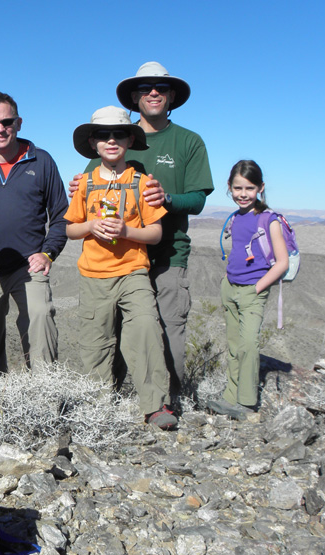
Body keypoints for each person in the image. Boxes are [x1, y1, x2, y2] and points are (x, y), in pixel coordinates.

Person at [73, 62, 213, 400]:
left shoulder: (188, 141)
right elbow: (90, 188)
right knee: (115, 333)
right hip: (117, 259)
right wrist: (79, 187)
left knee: (166, 332)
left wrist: (168, 198)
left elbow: (197, 199)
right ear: (134, 97)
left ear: (172, 96)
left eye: (161, 88)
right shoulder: (115, 135)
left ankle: (171, 402)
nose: (154, 93)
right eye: (146, 88)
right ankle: (112, 402)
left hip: (167, 254)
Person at [65, 106, 175, 429]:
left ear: (129, 139)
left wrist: (126, 232)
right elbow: (70, 229)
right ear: (93, 142)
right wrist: (90, 226)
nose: (110, 140)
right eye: (103, 135)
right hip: (93, 275)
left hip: (133, 271)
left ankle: (155, 405)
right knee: (95, 343)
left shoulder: (142, 183)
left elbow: (155, 233)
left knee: (144, 327)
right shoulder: (84, 184)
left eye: (117, 134)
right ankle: (96, 409)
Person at [0, 92, 68, 375]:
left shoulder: (41, 161)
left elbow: (60, 216)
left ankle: (45, 397)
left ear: (19, 122)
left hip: (27, 267)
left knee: (40, 321)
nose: (0, 129)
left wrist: (48, 252)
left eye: (7, 121)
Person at [213, 160, 288, 415]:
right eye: (237, 188)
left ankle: (246, 402)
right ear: (229, 188)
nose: (243, 194)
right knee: (234, 346)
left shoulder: (269, 220)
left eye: (249, 188)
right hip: (230, 287)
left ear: (261, 188)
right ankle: (230, 397)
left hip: (251, 291)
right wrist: (226, 280)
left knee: (248, 346)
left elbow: (282, 263)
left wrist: (257, 288)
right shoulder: (236, 217)